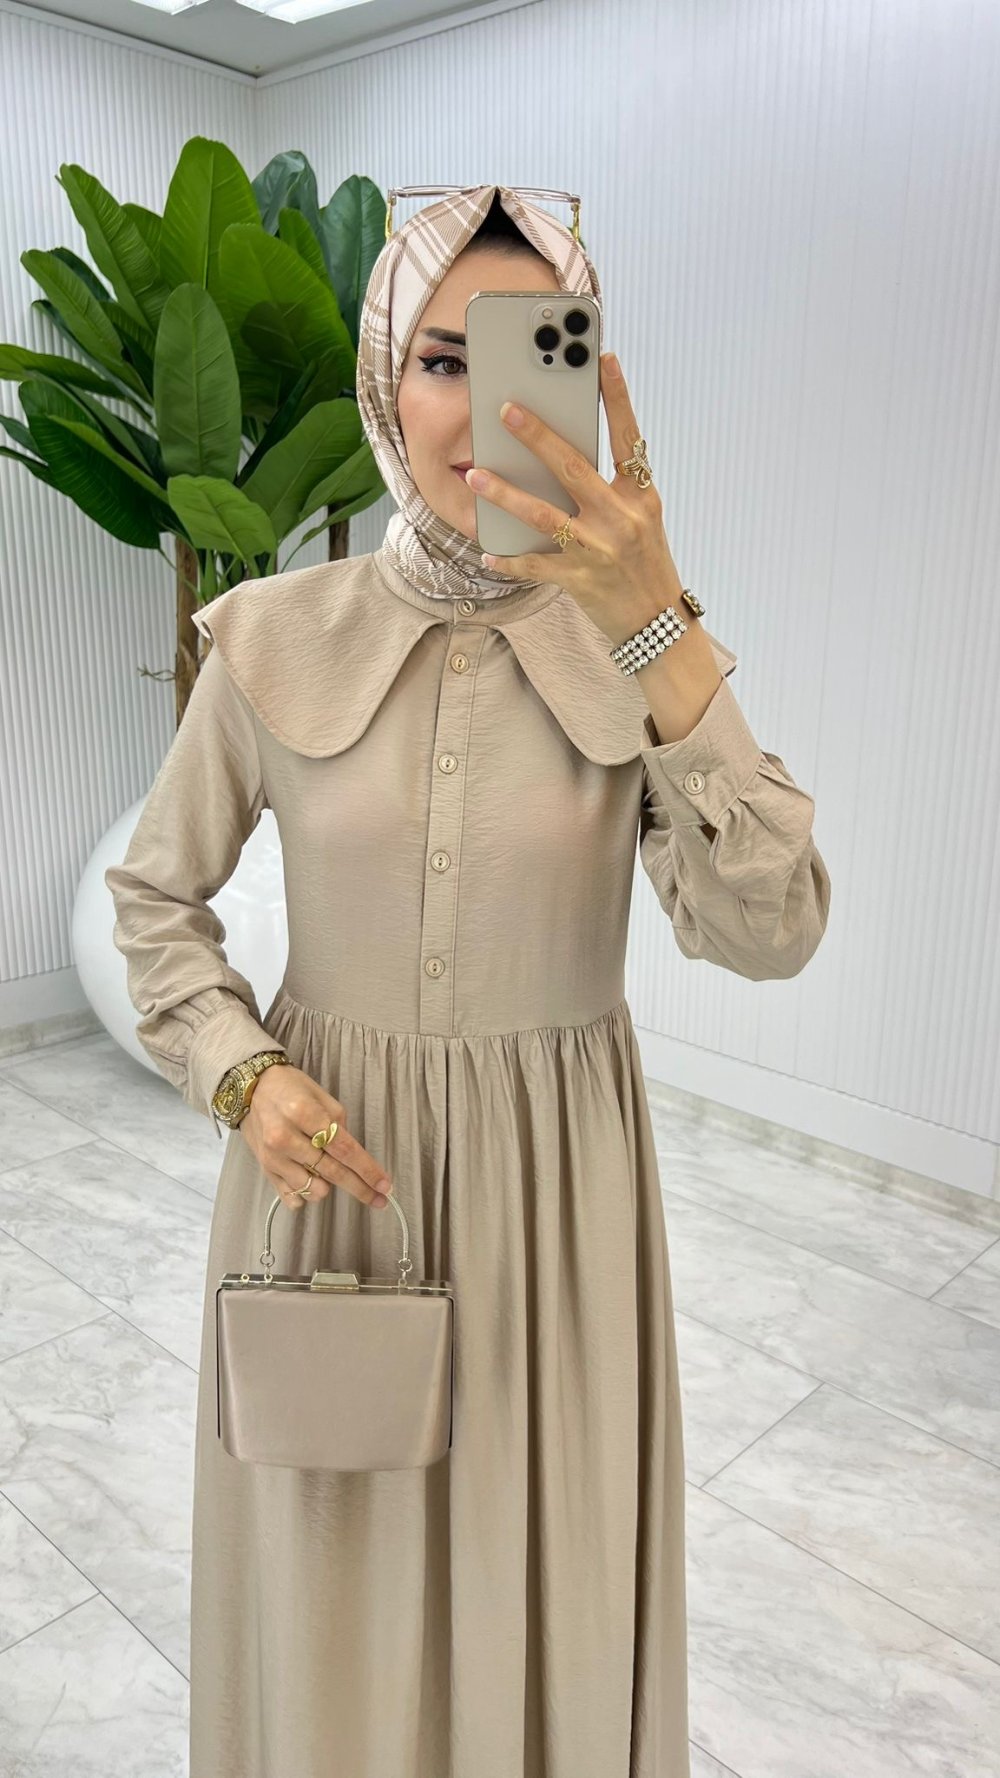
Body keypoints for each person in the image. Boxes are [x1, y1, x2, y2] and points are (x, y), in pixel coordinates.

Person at [105, 183, 831, 1778]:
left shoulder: (634, 656)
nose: (483, 404)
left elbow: (773, 927)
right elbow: (154, 896)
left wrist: (659, 625)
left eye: (531, 352)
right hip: (330, 1188)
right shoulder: (273, 637)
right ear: (385, 379)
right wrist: (242, 1071)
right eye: (441, 357)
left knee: (538, 1586)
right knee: (333, 1597)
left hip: (556, 1213)